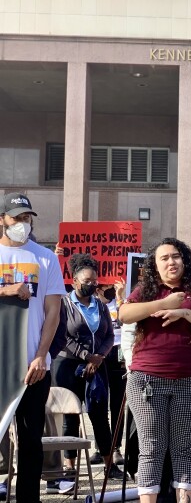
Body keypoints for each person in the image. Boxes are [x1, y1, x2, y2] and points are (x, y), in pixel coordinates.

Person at [118, 237, 191, 503]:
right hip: (147, 380)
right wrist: (164, 304)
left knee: (184, 448)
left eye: (175, 256)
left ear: (185, 260)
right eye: (164, 258)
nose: (171, 262)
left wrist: (184, 313)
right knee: (151, 447)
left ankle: (184, 498)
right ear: (155, 265)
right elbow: (125, 315)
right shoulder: (145, 291)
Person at [0, 193, 65, 501]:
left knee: (30, 442)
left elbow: (53, 312)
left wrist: (41, 356)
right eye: (16, 218)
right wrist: (7, 289)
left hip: (33, 368)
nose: (22, 224)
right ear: (2, 220)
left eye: (27, 218)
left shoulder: (45, 258)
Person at [52, 253, 124, 478]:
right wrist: (86, 356)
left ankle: (109, 463)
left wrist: (100, 356)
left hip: (97, 366)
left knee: (100, 415)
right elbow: (62, 334)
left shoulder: (101, 306)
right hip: (68, 365)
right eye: (87, 282)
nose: (92, 285)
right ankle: (70, 467)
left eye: (95, 281)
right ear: (74, 282)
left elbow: (110, 335)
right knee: (70, 416)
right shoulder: (64, 303)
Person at [95, 278, 126, 466]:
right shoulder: (93, 302)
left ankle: (115, 447)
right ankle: (101, 447)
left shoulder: (123, 300)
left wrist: (120, 296)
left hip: (119, 353)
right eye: (103, 286)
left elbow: (125, 320)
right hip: (99, 354)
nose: (107, 289)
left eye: (110, 286)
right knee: (99, 401)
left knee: (117, 403)